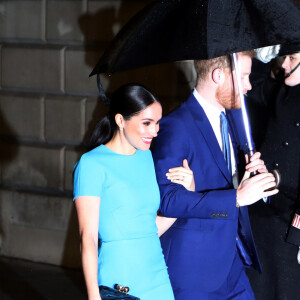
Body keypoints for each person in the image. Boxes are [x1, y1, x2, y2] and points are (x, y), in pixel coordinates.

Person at [152, 52, 279, 300]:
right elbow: (168, 200)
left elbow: (224, 179)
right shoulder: (176, 126)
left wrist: (251, 178)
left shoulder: (232, 118)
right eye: (243, 77)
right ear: (218, 75)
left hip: (231, 264)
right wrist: (237, 198)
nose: (249, 86)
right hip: (192, 271)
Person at [73, 84, 194, 300]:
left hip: (157, 277)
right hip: (119, 280)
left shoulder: (146, 157)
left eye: (157, 123)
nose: (155, 131)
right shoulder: (92, 164)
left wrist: (188, 193)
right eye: (146, 123)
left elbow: (148, 228)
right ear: (120, 120)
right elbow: (88, 237)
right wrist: (93, 295)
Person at [246, 43, 300, 300]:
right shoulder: (283, 93)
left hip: (291, 228)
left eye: (291, 58)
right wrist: (263, 48)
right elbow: (253, 83)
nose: (284, 64)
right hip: (262, 218)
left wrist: (279, 177)